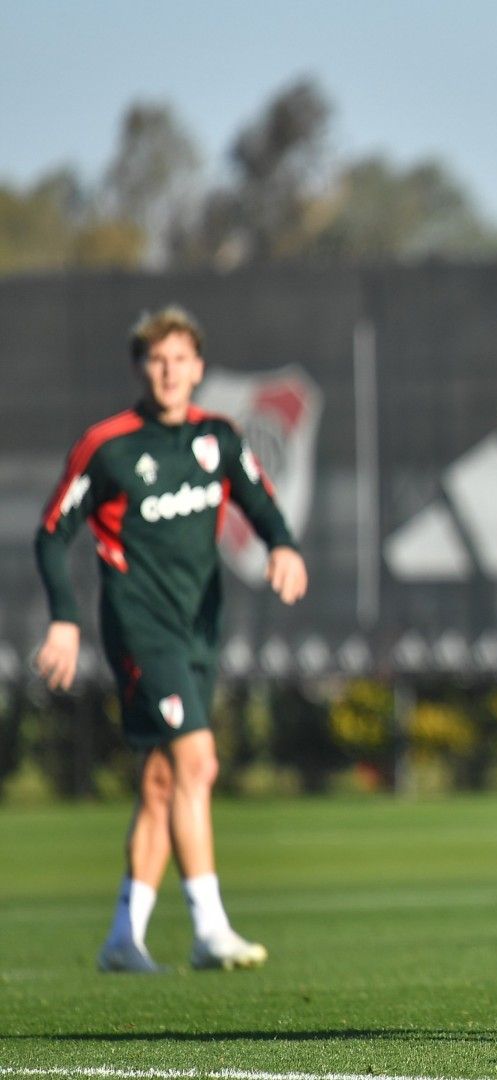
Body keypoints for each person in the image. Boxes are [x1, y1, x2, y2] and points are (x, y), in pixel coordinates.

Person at [34, 305, 308, 974]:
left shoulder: (217, 438)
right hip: (140, 627)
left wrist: (283, 546)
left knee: (162, 780)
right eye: (157, 360)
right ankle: (210, 929)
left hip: (198, 629)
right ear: (140, 368)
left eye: (181, 359)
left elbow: (261, 501)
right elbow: (51, 533)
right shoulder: (110, 447)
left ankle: (124, 937)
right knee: (197, 764)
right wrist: (66, 617)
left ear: (199, 368)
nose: (169, 372)